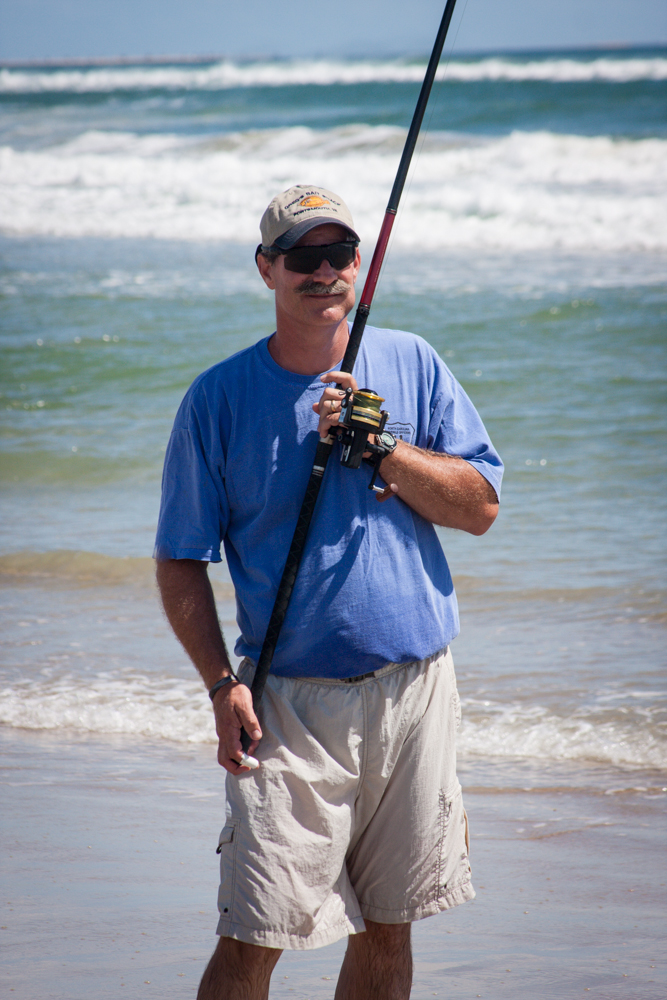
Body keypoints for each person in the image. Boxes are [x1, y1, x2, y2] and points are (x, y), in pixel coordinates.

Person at [155, 184, 503, 1000]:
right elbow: (180, 559)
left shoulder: (413, 361)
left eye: (338, 253)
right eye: (302, 256)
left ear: (359, 263)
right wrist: (220, 685)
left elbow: (480, 508)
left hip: (415, 693)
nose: (323, 272)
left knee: (389, 927)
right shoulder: (218, 399)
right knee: (254, 934)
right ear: (265, 269)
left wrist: (381, 449)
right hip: (287, 707)